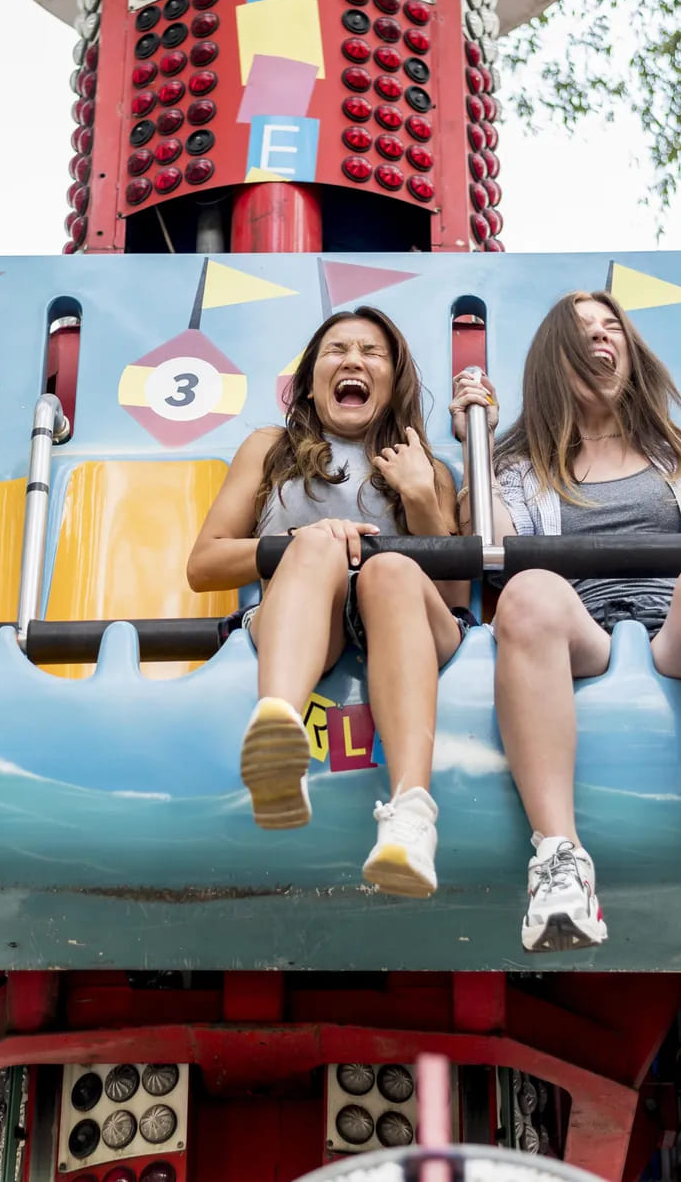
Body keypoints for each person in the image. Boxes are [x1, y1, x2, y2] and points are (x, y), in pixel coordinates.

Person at [449, 290, 681, 951]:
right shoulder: (522, 468)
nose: (602, 337)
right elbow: (491, 546)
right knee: (528, 589)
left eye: (612, 328)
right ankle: (559, 859)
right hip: (585, 634)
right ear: (556, 360)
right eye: (583, 330)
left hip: (678, 631)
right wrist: (477, 446)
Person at [188, 307, 471, 897]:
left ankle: (412, 815)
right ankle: (278, 738)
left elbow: (453, 596)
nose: (353, 361)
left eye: (372, 352)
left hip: (403, 617)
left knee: (390, 570)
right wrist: (294, 543)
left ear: (393, 382)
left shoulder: (428, 465)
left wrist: (419, 495)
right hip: (306, 615)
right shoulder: (270, 448)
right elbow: (204, 563)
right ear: (311, 386)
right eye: (336, 350)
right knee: (316, 548)